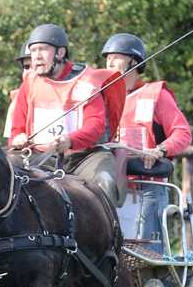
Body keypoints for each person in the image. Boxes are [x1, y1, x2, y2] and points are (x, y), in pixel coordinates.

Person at [9, 24, 126, 206]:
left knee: (105, 181)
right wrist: (18, 137)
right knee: (7, 169)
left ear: (60, 53)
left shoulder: (87, 81)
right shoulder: (29, 83)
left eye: (43, 49)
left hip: (85, 157)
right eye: (33, 50)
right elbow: (17, 128)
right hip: (43, 157)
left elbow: (95, 125)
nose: (36, 56)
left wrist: (70, 141)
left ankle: (109, 224)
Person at [101, 33, 192, 249]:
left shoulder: (155, 95)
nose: (110, 63)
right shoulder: (101, 97)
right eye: (108, 58)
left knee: (146, 251)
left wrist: (159, 150)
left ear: (133, 62)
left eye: (116, 57)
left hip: (146, 185)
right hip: (109, 184)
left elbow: (182, 133)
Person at [2, 41, 32, 144]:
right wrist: (17, 140)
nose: (30, 71)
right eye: (26, 67)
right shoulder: (15, 103)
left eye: (35, 66)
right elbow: (11, 145)